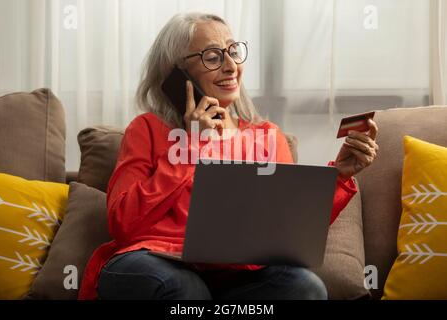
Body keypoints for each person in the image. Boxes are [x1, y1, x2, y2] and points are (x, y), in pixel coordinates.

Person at [78, 12, 379, 300]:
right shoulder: (147, 129)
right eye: (212, 56)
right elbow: (123, 223)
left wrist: (338, 176)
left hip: (234, 277)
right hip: (155, 261)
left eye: (233, 51)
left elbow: (285, 233)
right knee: (186, 289)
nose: (231, 65)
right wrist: (192, 145)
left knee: (305, 288)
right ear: (176, 74)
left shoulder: (267, 137)